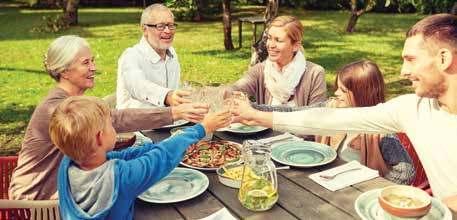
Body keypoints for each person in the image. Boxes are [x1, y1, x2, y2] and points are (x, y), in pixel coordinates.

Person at [231, 14, 457, 211]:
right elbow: (327, 117)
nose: (403, 71)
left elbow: (405, 173)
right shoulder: (412, 108)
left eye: (410, 60)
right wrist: (256, 114)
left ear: (444, 59)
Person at [8, 35, 208, 200]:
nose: (94, 67)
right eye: (86, 63)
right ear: (64, 71)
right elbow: (115, 119)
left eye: (92, 60)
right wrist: (174, 112)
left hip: (67, 186)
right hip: (38, 200)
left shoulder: (70, 100)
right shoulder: (58, 108)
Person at [50, 96, 231, 220]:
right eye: (111, 126)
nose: (114, 129)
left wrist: (167, 143)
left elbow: (120, 156)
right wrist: (201, 129)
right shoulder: (122, 177)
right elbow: (160, 158)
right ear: (99, 137)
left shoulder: (68, 164)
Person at [228, 15, 327, 107]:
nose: (270, 45)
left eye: (278, 40)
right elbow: (235, 88)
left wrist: (257, 116)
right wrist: (224, 93)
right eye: (269, 38)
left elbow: (316, 116)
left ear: (295, 46)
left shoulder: (315, 73)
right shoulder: (260, 70)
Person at [117, 3, 188, 109]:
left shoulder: (171, 53)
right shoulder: (131, 56)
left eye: (171, 25)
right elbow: (139, 86)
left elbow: (176, 91)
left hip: (171, 120)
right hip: (138, 123)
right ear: (145, 29)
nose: (168, 31)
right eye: (161, 26)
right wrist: (167, 96)